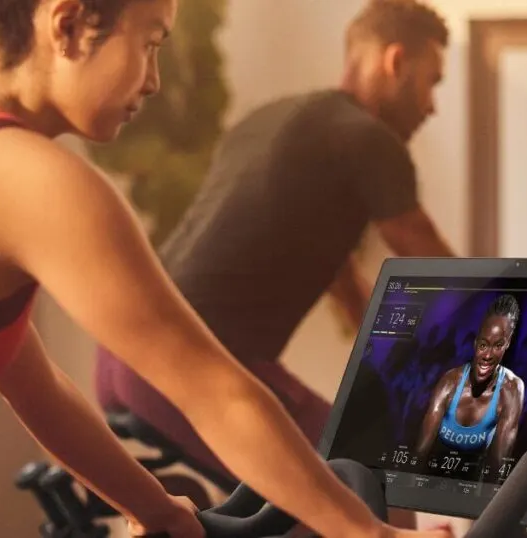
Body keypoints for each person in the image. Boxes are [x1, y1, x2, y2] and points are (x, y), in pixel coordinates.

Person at [0, 1, 454, 537]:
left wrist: (152, 509)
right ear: (66, 25)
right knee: (358, 474)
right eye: (150, 44)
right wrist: (371, 533)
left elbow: (40, 391)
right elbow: (213, 390)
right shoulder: (30, 177)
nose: (155, 81)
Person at [95, 0, 457, 511]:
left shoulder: (276, 119)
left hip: (122, 358)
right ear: (395, 61)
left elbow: (333, 267)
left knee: (332, 483)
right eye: (431, 81)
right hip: (187, 366)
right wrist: (526, 347)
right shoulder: (371, 141)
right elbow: (439, 268)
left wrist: (383, 367)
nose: (432, 104)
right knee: (373, 481)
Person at [415, 295, 525, 477]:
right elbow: (420, 453)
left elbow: (496, 469)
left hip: (472, 490)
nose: (487, 355)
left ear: (508, 344)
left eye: (498, 345)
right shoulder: (450, 381)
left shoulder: (512, 389)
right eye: (483, 344)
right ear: (475, 343)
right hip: (429, 480)